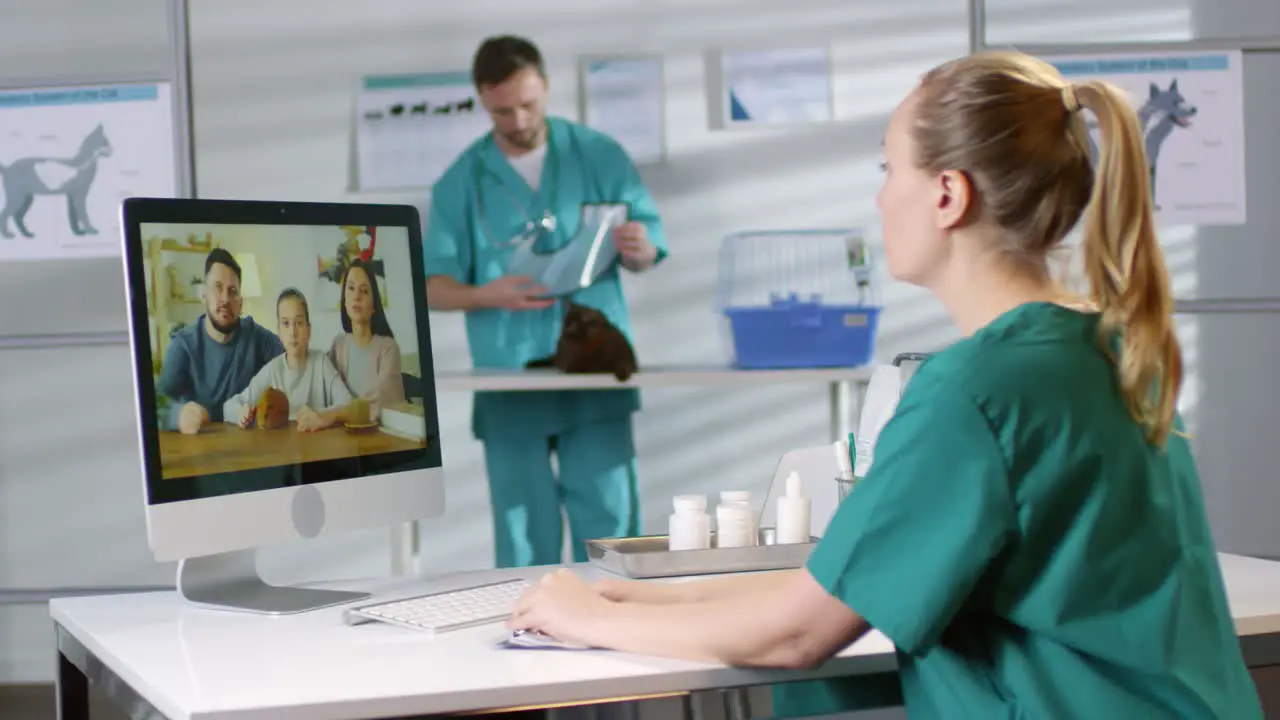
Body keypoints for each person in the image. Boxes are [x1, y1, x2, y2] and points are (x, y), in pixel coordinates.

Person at [506, 51, 1264, 719]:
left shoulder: (974, 391)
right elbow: (838, 587)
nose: (879, 198)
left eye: (887, 169)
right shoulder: (1113, 345)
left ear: (946, 195)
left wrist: (586, 620)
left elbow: (799, 634)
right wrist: (645, 596)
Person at [423, 35, 668, 569]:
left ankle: (620, 637)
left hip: (594, 372)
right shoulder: (459, 183)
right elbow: (431, 287)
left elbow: (648, 247)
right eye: (501, 110)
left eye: (527, 104)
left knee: (612, 537)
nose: (516, 120)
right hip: (509, 382)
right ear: (482, 100)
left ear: (546, 87)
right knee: (522, 547)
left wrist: (640, 249)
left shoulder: (599, 155)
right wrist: (482, 294)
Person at [156, 248, 284, 435]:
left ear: (240, 304)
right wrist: (178, 415)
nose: (225, 299)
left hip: (249, 450)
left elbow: (291, 363)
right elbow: (156, 405)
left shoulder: (257, 337)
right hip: (200, 453)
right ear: (204, 295)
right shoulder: (182, 345)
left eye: (233, 291)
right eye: (218, 287)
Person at [223, 288, 354, 432]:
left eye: (299, 323)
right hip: (280, 449)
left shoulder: (321, 363)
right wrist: (241, 413)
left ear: (308, 330)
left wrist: (324, 416)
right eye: (286, 324)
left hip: (317, 448)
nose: (293, 332)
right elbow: (228, 407)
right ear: (279, 331)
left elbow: (349, 404)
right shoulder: (272, 370)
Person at [328, 259, 405, 422]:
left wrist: (334, 416)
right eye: (350, 288)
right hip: (344, 435)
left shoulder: (389, 348)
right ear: (344, 301)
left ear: (374, 306)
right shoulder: (337, 345)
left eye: (364, 291)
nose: (356, 296)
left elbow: (383, 399)